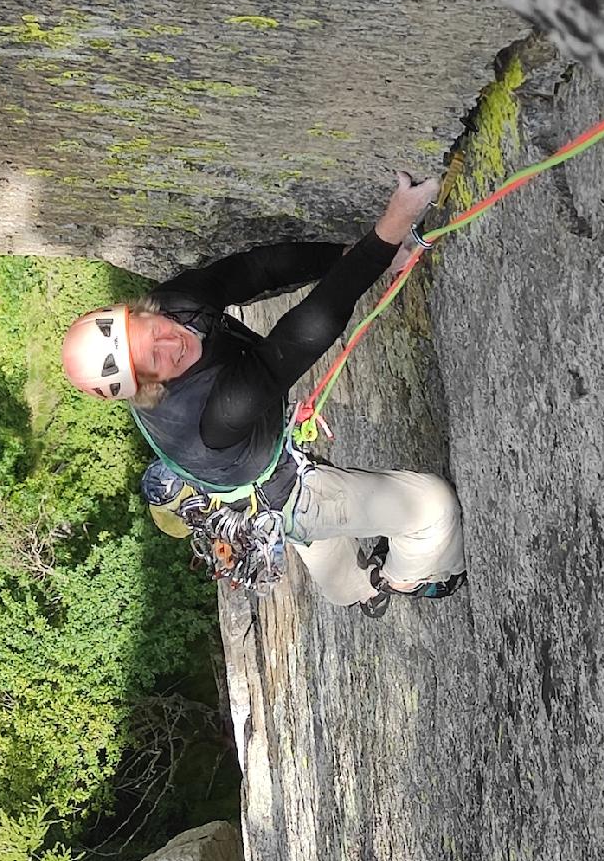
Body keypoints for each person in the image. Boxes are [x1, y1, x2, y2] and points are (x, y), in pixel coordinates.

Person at [60, 173, 465, 613]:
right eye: (152, 362)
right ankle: (405, 579)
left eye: (152, 330)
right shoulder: (207, 415)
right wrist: (388, 232)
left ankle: (356, 592)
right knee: (433, 509)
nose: (171, 343)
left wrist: (350, 257)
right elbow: (301, 337)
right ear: (146, 388)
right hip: (284, 492)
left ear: (139, 311)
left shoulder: (172, 303)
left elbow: (258, 270)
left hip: (257, 477)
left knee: (320, 540)